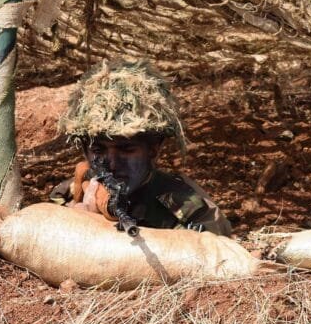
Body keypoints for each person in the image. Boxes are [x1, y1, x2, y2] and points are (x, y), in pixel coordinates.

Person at [51, 59, 232, 236]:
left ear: (153, 149)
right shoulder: (68, 192)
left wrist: (96, 230)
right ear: (84, 151)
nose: (112, 164)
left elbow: (213, 256)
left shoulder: (186, 208)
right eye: (99, 151)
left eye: (126, 150)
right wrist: (73, 221)